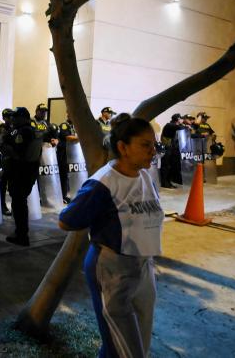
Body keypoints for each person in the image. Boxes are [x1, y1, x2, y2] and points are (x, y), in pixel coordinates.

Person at [59, 113, 164, 358]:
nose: (153, 151)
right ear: (122, 147)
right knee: (122, 348)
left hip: (143, 265)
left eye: (154, 144)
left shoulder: (145, 176)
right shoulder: (103, 184)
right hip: (113, 270)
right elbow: (66, 220)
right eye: (145, 145)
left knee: (139, 340)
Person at [3, 107, 40, 246]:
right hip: (28, 172)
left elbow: (18, 153)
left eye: (15, 117)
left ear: (23, 117)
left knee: (19, 204)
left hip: (20, 172)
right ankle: (21, 232)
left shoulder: (24, 132)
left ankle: (22, 235)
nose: (12, 119)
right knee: (20, 202)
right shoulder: (30, 130)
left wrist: (6, 147)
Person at [0, 108, 14, 215]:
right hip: (4, 159)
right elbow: (1, 142)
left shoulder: (13, 127)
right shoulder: (3, 128)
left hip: (12, 159)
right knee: (2, 185)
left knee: (12, 186)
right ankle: (2, 207)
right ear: (4, 118)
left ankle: (13, 207)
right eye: (8, 116)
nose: (11, 118)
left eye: (12, 116)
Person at [57, 113, 78, 203]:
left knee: (68, 176)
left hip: (71, 155)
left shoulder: (73, 126)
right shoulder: (64, 125)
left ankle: (67, 194)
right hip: (63, 155)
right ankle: (62, 196)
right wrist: (80, 137)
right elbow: (67, 137)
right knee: (63, 176)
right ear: (69, 115)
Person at [159, 113, 184, 189]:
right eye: (180, 119)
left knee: (169, 166)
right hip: (167, 149)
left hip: (170, 148)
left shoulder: (173, 125)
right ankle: (165, 183)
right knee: (166, 166)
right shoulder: (170, 125)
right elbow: (181, 128)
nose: (181, 120)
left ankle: (168, 182)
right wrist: (185, 125)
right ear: (177, 119)